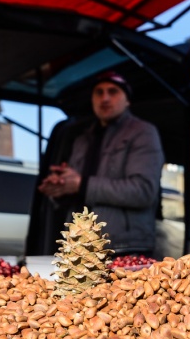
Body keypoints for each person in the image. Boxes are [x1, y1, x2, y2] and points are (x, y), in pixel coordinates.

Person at [37, 70, 164, 255]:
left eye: (113, 91)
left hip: (122, 249)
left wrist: (81, 184)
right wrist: (60, 187)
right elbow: (76, 189)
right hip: (79, 247)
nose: (105, 98)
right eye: (99, 92)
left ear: (127, 100)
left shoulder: (142, 132)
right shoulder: (82, 139)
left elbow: (143, 191)